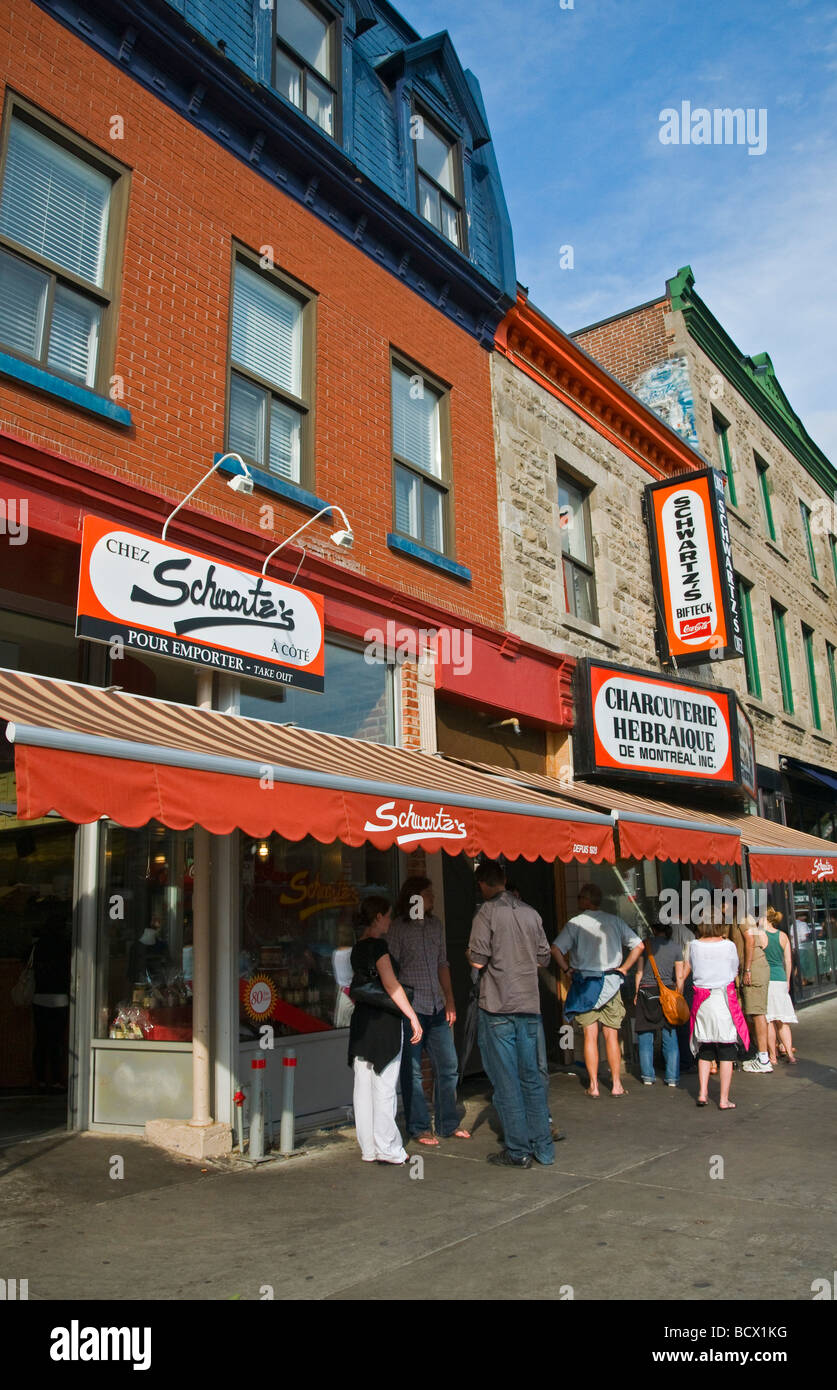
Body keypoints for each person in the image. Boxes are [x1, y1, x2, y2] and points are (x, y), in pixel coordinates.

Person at [467, 860, 555, 1168]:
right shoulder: (531, 913)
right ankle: (544, 1148)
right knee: (532, 1078)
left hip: (498, 1007)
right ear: (504, 879)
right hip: (529, 1005)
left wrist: (469, 954)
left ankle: (518, 1151)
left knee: (507, 1081)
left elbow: (478, 961)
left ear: (483, 884)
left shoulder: (486, 913)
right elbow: (544, 958)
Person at [388, 876, 470, 1144]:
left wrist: (450, 999)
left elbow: (442, 963)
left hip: (436, 1005)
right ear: (414, 897)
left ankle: (448, 1122)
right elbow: (391, 969)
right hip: (412, 1007)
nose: (433, 897)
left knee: (448, 1065)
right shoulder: (398, 928)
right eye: (427, 893)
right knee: (412, 1070)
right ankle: (419, 1126)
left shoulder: (436, 925)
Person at [347, 896, 422, 1164]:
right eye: (388, 915)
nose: (390, 920)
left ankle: (369, 1147)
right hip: (384, 1021)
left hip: (362, 1021)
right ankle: (388, 1147)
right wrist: (412, 1015)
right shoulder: (379, 947)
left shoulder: (357, 947)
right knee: (385, 1085)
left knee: (363, 1086)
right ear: (378, 917)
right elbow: (392, 985)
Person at [551, 883, 643, 1097]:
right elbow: (638, 946)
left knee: (589, 1036)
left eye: (579, 897)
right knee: (611, 1035)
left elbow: (555, 949)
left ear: (586, 900)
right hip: (611, 982)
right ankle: (617, 1085)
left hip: (585, 984)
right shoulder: (614, 921)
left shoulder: (575, 923)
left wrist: (566, 970)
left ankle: (593, 1086)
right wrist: (624, 969)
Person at [685, 919, 749, 1109]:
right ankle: (723, 1099)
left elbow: (692, 968)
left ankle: (702, 1093)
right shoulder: (728, 946)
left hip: (702, 1002)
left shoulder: (693, 946)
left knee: (705, 1048)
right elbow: (733, 969)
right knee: (727, 1050)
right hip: (723, 1000)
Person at [633, 922, 685, 1087]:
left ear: (654, 930)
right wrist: (678, 996)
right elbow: (680, 977)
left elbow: (639, 972)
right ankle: (672, 1078)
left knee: (645, 1034)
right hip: (668, 992)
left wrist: (636, 993)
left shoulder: (646, 944)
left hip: (646, 992)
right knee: (669, 1034)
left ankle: (648, 1076)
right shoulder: (676, 948)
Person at [31, 910, 71, 1093]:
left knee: (41, 1040)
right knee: (57, 1041)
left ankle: (39, 1079)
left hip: (39, 997)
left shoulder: (39, 945)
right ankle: (56, 1079)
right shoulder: (65, 945)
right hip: (60, 998)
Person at [763, 908, 798, 1065]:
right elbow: (788, 961)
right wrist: (788, 980)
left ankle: (773, 1056)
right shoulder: (783, 936)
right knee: (782, 1021)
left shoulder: (760, 935)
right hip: (781, 979)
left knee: (769, 1020)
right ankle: (790, 1054)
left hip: (767, 980)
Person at [739, 914, 773, 1074]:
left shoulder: (742, 918)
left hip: (753, 969)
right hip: (756, 966)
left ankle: (764, 1058)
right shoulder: (747, 918)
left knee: (757, 1012)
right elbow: (764, 942)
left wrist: (747, 968)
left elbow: (751, 940)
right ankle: (761, 1054)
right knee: (754, 1012)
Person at [331, 923, 355, 1029]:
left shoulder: (335, 953)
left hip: (343, 995)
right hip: (355, 995)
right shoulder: (354, 952)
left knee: (341, 1029)